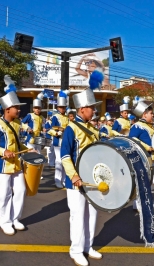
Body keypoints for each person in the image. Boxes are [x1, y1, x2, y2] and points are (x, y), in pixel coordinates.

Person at [61, 71, 103, 266]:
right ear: (82, 109)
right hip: (77, 179)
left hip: (92, 178)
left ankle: (88, 245)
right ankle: (76, 249)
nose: (94, 111)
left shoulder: (94, 129)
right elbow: (65, 156)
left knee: (92, 213)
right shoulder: (71, 128)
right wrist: (74, 176)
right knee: (77, 215)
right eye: (91, 108)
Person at [0, 75, 30, 235]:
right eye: (16, 107)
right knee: (4, 194)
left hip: (17, 164)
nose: (19, 110)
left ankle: (15, 218)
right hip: (2, 165)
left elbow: (18, 144)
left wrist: (28, 148)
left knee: (20, 191)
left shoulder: (18, 124)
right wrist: (4, 151)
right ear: (7, 109)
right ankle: (4, 221)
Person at [129, 100, 154, 209]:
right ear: (144, 114)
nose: (153, 115)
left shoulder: (148, 125)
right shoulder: (137, 126)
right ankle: (138, 203)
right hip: (142, 157)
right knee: (141, 181)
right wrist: (148, 147)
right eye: (151, 113)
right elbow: (132, 139)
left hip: (151, 156)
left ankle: (147, 201)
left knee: (148, 181)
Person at [48, 91, 69, 188]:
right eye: (60, 107)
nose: (62, 109)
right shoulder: (55, 117)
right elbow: (50, 129)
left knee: (65, 160)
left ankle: (64, 179)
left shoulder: (67, 117)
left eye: (64, 107)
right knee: (59, 161)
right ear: (57, 108)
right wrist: (57, 133)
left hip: (65, 141)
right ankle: (57, 180)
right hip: (58, 141)